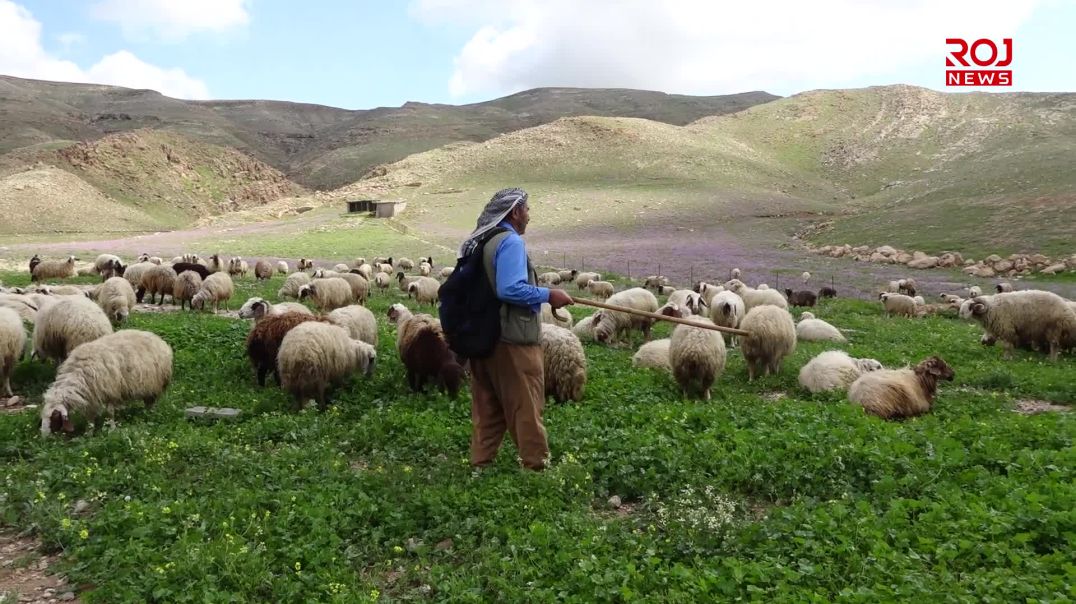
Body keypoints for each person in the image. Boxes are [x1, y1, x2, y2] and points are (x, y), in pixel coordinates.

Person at [458, 188, 573, 471]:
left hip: (483, 339)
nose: (529, 216)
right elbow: (509, 288)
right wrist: (548, 295)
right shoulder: (510, 243)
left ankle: (480, 466)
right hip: (513, 340)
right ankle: (535, 468)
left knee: (487, 407)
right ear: (515, 212)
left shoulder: (480, 242)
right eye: (527, 210)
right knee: (526, 405)